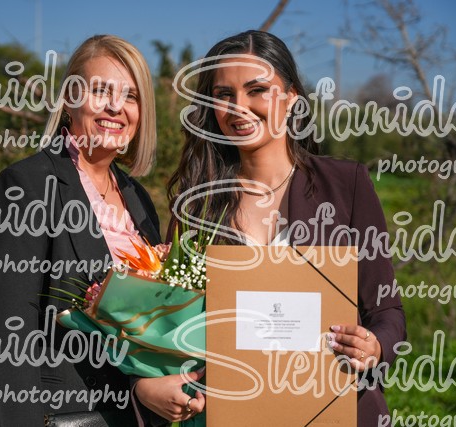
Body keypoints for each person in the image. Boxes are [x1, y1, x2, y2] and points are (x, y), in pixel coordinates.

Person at [143, 30, 406, 427]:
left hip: (336, 409)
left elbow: (386, 310)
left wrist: (375, 345)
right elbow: (170, 321)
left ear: (291, 98)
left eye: (257, 90)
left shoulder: (346, 185)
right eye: (224, 94)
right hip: (233, 413)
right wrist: (148, 384)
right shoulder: (196, 203)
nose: (239, 108)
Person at [0, 34, 161, 427]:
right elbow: (7, 334)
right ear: (70, 100)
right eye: (100, 90)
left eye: (130, 96)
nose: (115, 106)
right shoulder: (25, 185)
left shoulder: (139, 199)